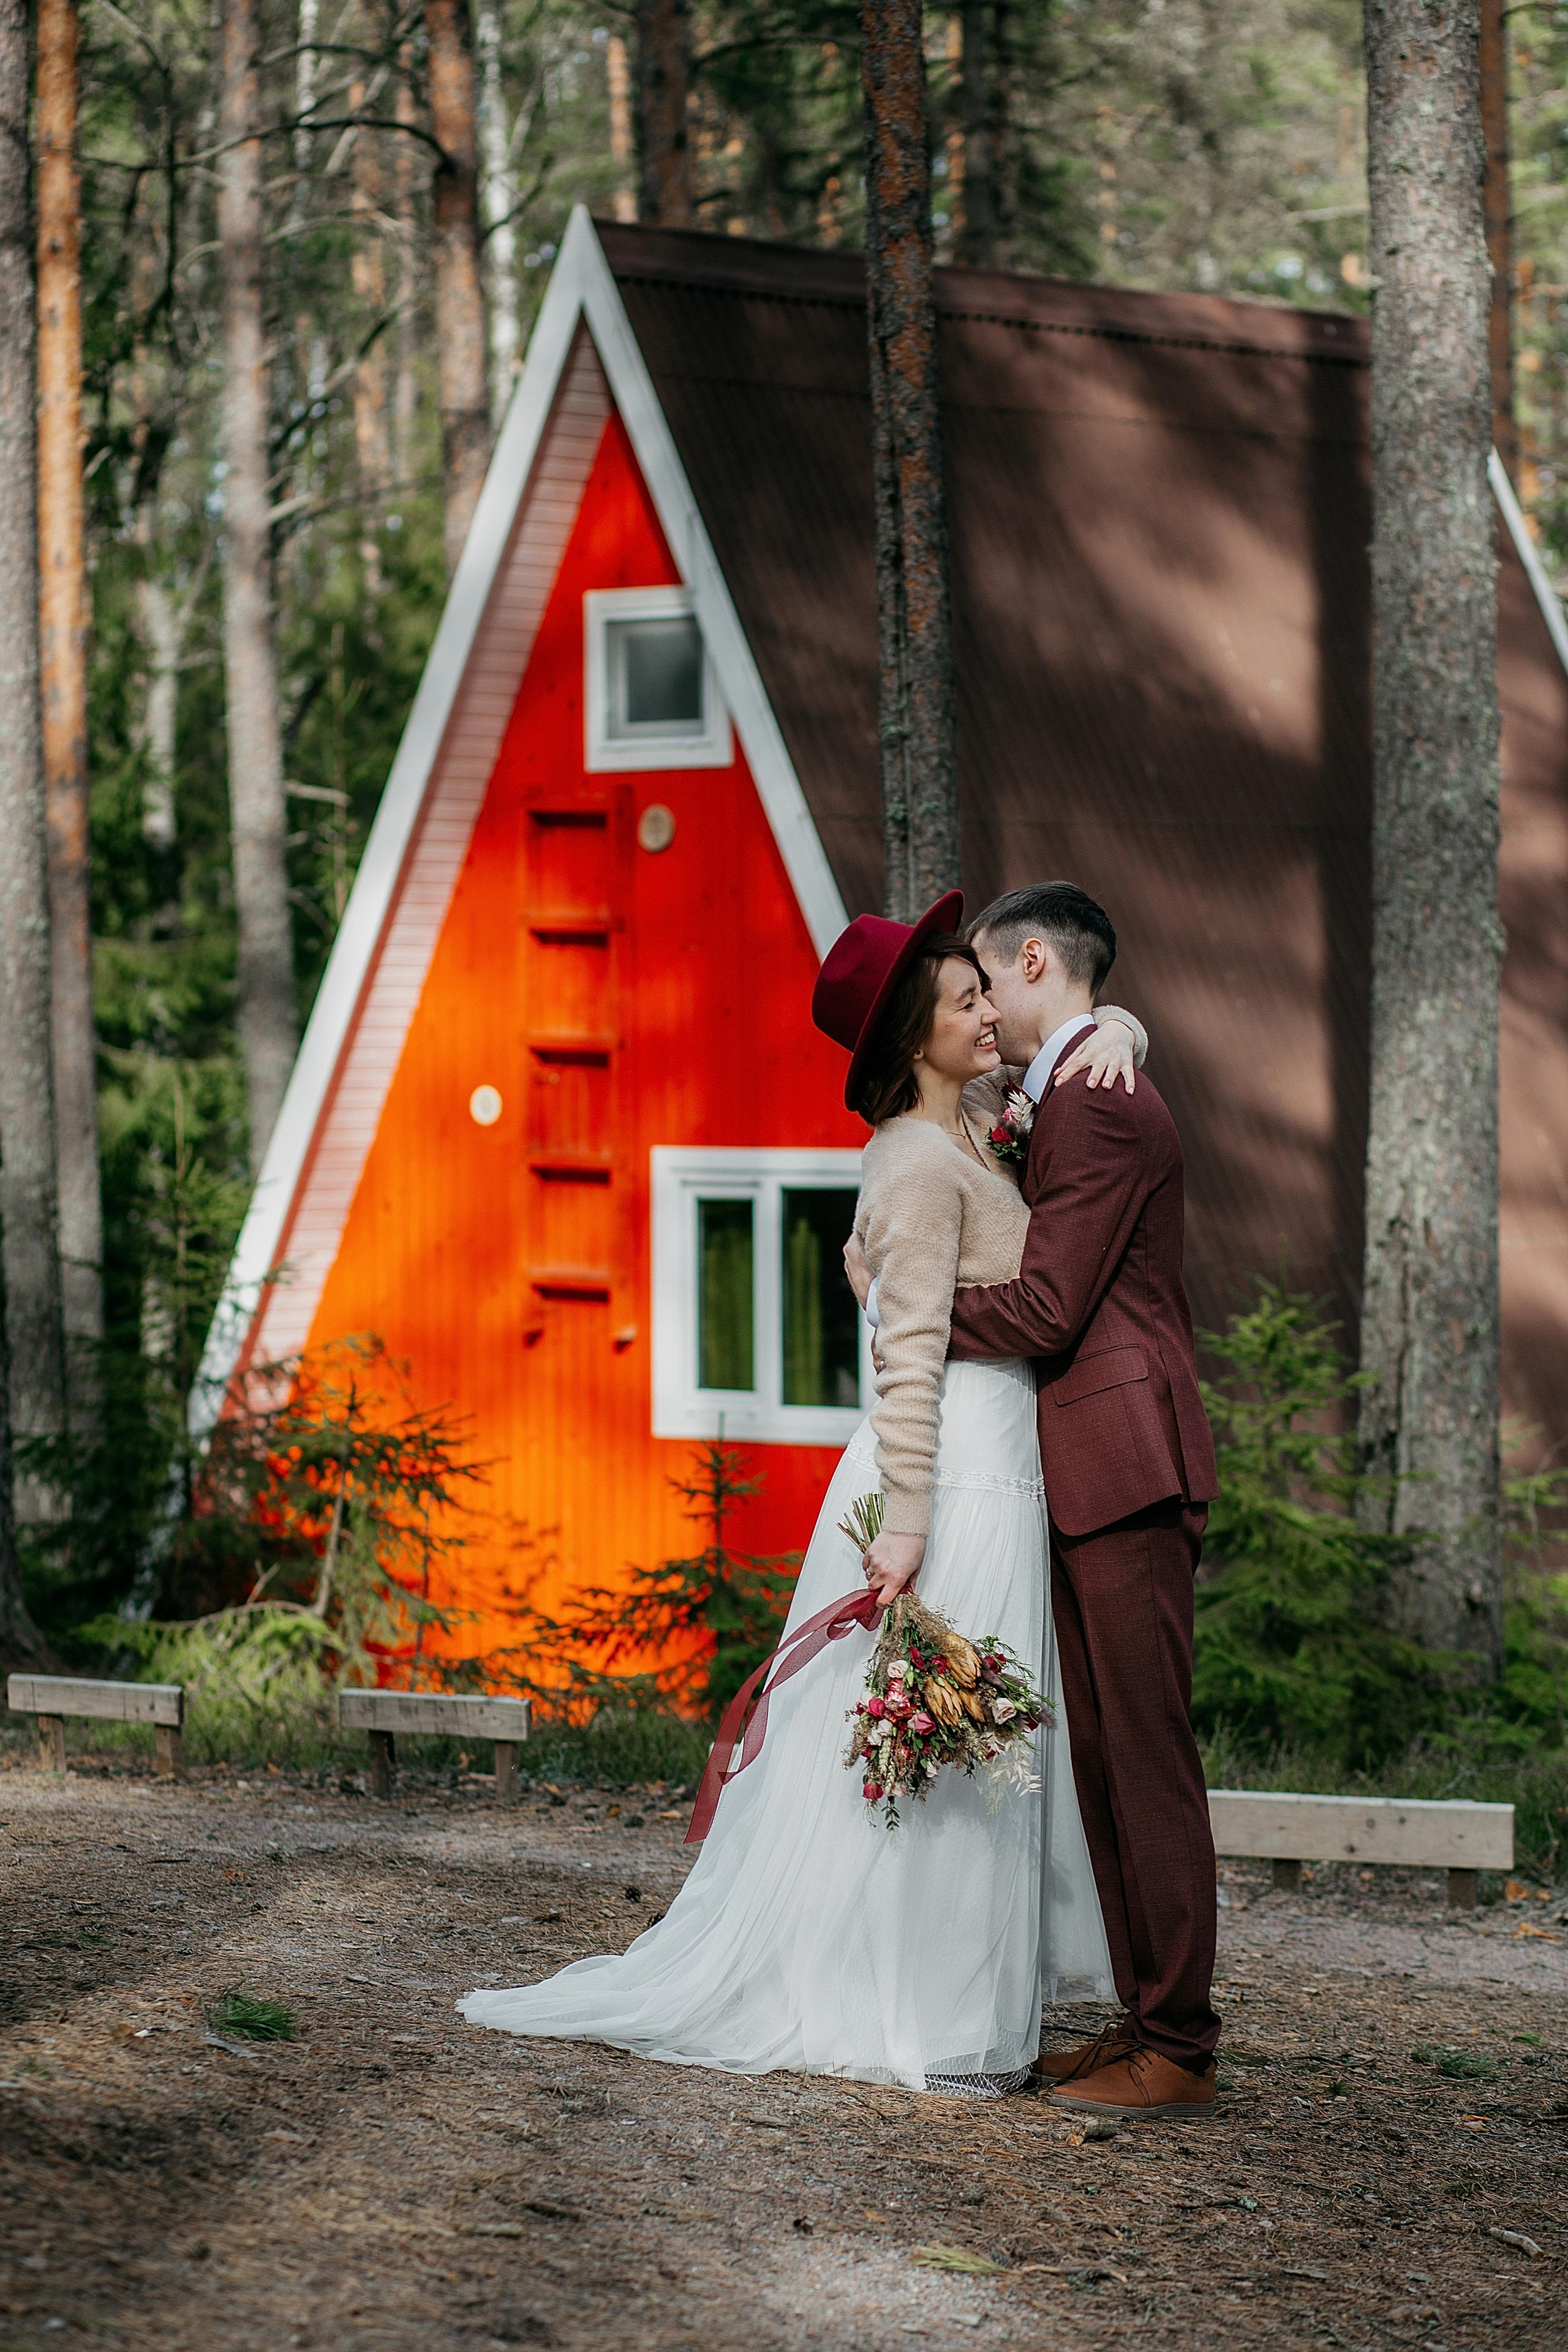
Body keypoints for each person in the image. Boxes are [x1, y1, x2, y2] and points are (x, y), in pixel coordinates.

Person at [458, 889, 1147, 2097]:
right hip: (949, 1475)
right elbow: (907, 1359)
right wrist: (910, 1525)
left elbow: (1069, 1055)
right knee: (935, 1748)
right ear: (914, 1040)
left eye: (984, 992)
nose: (988, 1014)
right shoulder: (916, 1162)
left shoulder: (980, 1122)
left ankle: (958, 1993)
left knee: (970, 1749)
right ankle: (915, 2007)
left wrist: (1119, 1027)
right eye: (963, 1001)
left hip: (1002, 1458)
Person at [848, 882, 1221, 2120]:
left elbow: (1051, 1307)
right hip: (1088, 1464)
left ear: (1033, 962)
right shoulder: (1067, 1084)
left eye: (986, 984)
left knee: (1144, 1758)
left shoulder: (1094, 1099)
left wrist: (903, 1301)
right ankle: (1145, 2020)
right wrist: (1121, 1025)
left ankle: (1178, 2043)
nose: (982, 1012)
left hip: (1125, 1458)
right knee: (1104, 1757)